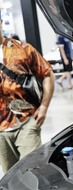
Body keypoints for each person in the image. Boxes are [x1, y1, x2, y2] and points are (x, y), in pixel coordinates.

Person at [0, 20, 55, 173]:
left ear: (1, 22)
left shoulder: (23, 49)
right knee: (9, 177)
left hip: (26, 122)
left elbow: (48, 75)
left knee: (34, 172)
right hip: (0, 130)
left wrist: (43, 107)